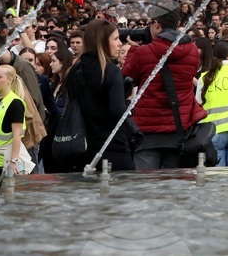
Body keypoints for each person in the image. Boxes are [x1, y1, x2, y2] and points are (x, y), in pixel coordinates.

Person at [123, 9, 206, 170]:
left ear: (156, 24)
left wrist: (134, 50)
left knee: (146, 181)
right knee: (174, 181)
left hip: (148, 129)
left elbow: (128, 79)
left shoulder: (143, 52)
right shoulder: (192, 50)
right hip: (179, 127)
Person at [63, 20, 136, 170]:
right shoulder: (111, 71)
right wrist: (128, 101)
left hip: (82, 146)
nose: (120, 44)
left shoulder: (74, 71)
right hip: (112, 146)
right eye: (115, 39)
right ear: (102, 41)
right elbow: (117, 111)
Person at [0, 65, 29, 177]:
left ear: (9, 80)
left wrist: (14, 161)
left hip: (5, 161)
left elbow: (17, 135)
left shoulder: (15, 103)